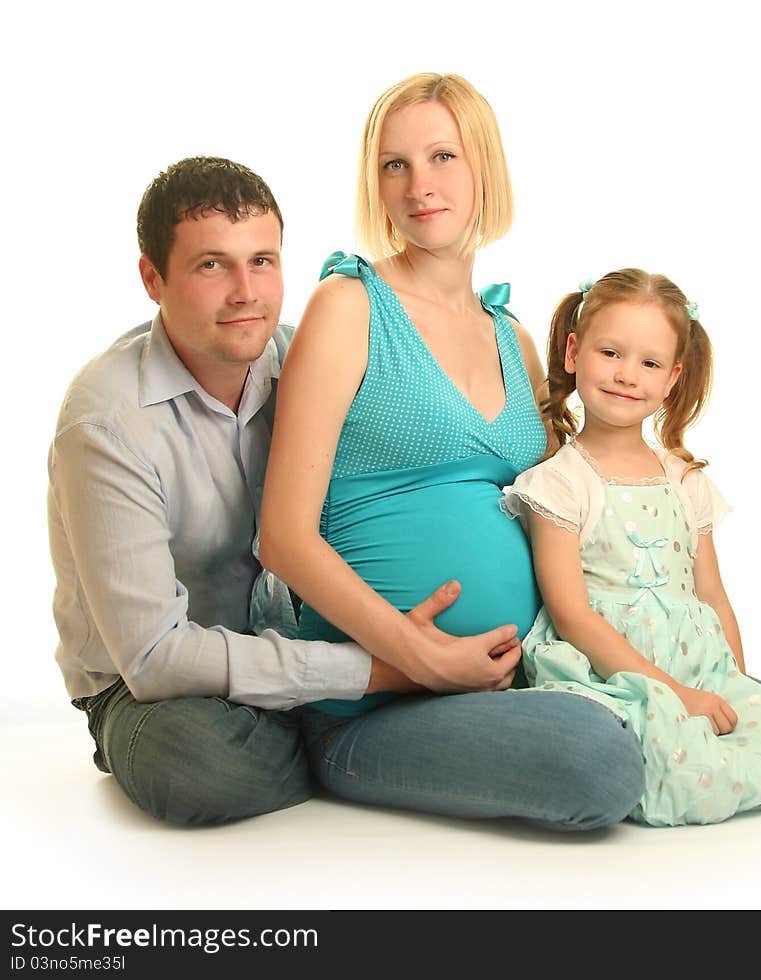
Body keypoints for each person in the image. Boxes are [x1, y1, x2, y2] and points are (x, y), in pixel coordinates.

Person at [47, 155, 522, 827]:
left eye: (263, 261)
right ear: (153, 278)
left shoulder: (311, 357)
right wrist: (386, 672)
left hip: (302, 643)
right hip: (156, 691)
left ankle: (342, 732)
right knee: (196, 766)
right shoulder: (107, 422)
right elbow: (155, 658)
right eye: (212, 265)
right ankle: (349, 743)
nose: (246, 291)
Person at [256, 73, 647, 830]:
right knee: (596, 762)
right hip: (374, 703)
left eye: (442, 157)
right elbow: (283, 537)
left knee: (754, 705)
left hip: (522, 671)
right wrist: (420, 655)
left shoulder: (517, 339)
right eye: (393, 165)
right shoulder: (349, 306)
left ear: (483, 169)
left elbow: (556, 514)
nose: (418, 185)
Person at [501, 269, 761, 825]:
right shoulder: (561, 482)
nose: (627, 375)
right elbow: (572, 614)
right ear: (575, 352)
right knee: (668, 767)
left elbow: (713, 595)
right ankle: (677, 768)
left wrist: (737, 685)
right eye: (610, 353)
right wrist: (673, 692)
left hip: (698, 661)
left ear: (673, 377)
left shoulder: (685, 481)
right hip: (611, 666)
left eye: (649, 363)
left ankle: (712, 758)